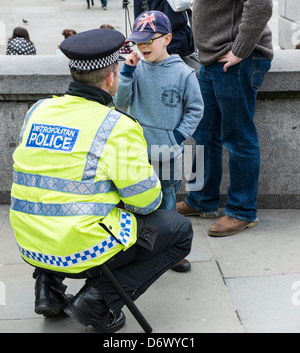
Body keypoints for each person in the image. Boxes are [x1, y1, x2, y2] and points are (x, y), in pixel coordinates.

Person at [9, 28, 193, 333]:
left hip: (30, 241)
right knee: (180, 230)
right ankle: (98, 299)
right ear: (111, 78)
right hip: (78, 248)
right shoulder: (116, 126)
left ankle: (49, 290)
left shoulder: (38, 110)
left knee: (53, 200)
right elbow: (146, 201)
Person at [113, 11, 203, 272]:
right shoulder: (135, 68)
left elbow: (195, 109)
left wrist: (176, 136)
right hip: (138, 151)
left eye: (149, 40)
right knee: (134, 198)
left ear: (167, 39)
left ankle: (173, 250)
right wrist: (127, 71)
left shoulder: (184, 74)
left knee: (167, 199)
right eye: (139, 41)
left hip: (168, 151)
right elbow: (120, 102)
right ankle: (140, 246)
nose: (143, 46)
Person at [177, 0, 274, 237]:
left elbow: (261, 5)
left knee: (238, 137)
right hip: (212, 58)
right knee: (203, 134)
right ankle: (201, 199)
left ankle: (242, 211)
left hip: (236, 59)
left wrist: (240, 50)